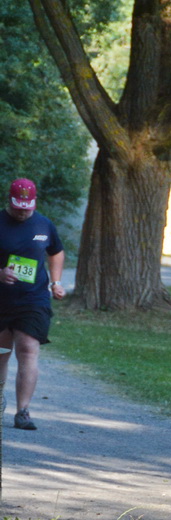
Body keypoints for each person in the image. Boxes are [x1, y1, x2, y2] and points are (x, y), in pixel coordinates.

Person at [0, 178, 66, 431]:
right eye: (18, 207)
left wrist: (56, 282)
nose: (23, 212)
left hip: (33, 299)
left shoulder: (43, 224)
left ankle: (23, 411)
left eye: (27, 208)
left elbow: (56, 252)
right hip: (2, 299)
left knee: (28, 349)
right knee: (1, 353)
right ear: (9, 200)